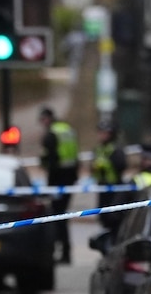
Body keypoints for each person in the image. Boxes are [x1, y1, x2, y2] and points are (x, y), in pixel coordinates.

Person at [38, 107, 80, 264]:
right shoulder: (67, 130)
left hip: (58, 181)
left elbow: (49, 161)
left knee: (58, 216)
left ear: (47, 119)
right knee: (61, 215)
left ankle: (63, 253)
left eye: (42, 120)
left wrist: (49, 186)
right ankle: (65, 252)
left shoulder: (51, 135)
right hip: (70, 179)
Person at [89, 119, 128, 231]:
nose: (101, 135)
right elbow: (92, 166)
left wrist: (106, 164)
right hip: (102, 186)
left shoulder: (115, 148)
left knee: (114, 217)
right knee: (103, 216)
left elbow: (121, 165)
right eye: (100, 132)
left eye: (104, 133)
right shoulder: (98, 148)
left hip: (114, 186)